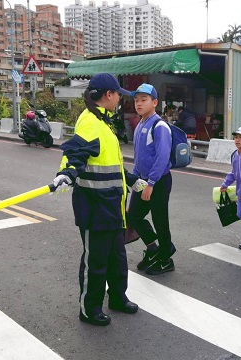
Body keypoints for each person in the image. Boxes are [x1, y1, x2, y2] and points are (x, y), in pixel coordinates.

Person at [52, 73, 146, 326]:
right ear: (108, 95)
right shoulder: (90, 122)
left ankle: (117, 297)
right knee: (96, 261)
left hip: (113, 205)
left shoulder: (103, 122)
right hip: (95, 206)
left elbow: (109, 163)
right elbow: (76, 153)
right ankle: (89, 308)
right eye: (118, 95)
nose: (120, 100)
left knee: (117, 258)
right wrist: (67, 173)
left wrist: (131, 178)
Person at [126, 83, 177, 275]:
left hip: (159, 181)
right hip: (142, 180)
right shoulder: (140, 124)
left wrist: (151, 184)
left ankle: (166, 259)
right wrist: (136, 181)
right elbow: (139, 156)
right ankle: (153, 248)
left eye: (143, 100)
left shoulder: (159, 125)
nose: (138, 103)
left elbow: (162, 157)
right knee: (134, 216)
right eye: (136, 100)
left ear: (154, 102)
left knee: (160, 220)